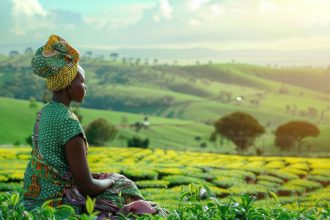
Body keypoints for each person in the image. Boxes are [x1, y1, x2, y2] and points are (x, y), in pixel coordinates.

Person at [23, 35, 161, 218]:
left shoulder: (46, 111)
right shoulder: (68, 122)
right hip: (58, 204)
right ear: (68, 85)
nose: (85, 86)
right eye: (81, 81)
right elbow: (87, 187)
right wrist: (112, 180)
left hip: (36, 197)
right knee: (125, 188)